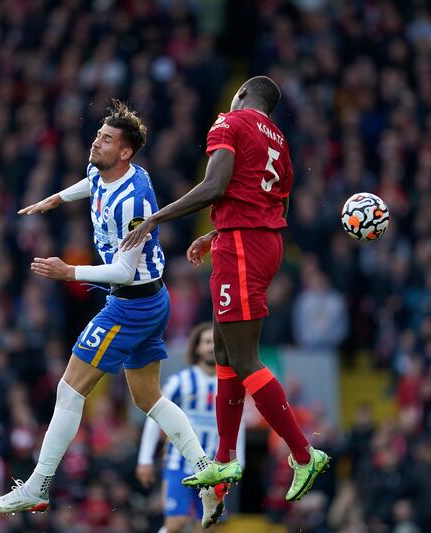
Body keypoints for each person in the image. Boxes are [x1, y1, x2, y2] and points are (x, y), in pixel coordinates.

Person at [0, 100, 226, 519]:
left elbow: (124, 271)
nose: (96, 143)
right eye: (98, 135)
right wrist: (57, 199)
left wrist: (68, 272)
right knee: (149, 397)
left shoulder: (134, 202)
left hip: (131, 302)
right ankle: (207, 474)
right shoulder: (109, 172)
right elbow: (90, 182)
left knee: (70, 388)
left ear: (126, 152)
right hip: (152, 300)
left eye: (107, 139)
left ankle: (38, 486)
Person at [122, 76, 330, 501]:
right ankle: (223, 456)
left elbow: (215, 186)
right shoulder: (280, 141)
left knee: (243, 356)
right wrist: (218, 232)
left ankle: (305, 455)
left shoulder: (229, 122)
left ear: (239, 94)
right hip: (259, 241)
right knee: (223, 352)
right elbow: (277, 203)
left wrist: (156, 218)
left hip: (242, 245)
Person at [136, 322, 246, 530]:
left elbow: (238, 425)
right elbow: (155, 417)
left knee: (209, 527)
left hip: (217, 467)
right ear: (196, 347)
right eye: (206, 342)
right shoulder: (181, 381)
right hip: (180, 464)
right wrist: (144, 459)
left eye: (216, 343)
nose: (211, 347)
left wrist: (240, 460)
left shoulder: (232, 385)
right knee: (176, 523)